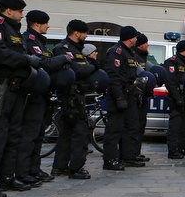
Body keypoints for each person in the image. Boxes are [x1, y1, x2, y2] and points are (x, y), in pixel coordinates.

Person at [0, 0, 44, 197]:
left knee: (12, 135)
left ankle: (6, 177)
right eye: (20, 11)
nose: (23, 15)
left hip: (14, 89)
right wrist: (25, 59)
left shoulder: (12, 30)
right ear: (9, 11)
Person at [18, 10, 70, 186]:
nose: (48, 25)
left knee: (39, 134)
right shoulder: (29, 41)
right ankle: (23, 171)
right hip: (31, 95)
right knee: (29, 135)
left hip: (43, 94)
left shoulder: (41, 42)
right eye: (46, 23)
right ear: (37, 24)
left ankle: (34, 169)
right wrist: (62, 59)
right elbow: (43, 63)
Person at [50, 19, 97, 179]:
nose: (86, 36)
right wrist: (93, 66)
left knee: (67, 133)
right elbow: (79, 70)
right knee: (80, 133)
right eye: (85, 33)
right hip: (71, 97)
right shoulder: (64, 48)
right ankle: (75, 167)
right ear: (77, 33)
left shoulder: (77, 49)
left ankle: (60, 167)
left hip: (77, 96)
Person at [101, 25, 140, 171]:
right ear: (130, 38)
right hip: (119, 94)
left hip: (129, 94)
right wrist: (118, 97)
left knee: (132, 126)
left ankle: (128, 157)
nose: (136, 39)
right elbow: (113, 77)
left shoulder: (129, 53)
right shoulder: (116, 52)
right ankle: (109, 159)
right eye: (135, 36)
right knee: (114, 129)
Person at [163, 40, 185, 159]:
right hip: (176, 98)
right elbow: (170, 82)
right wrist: (177, 98)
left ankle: (182, 147)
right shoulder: (172, 62)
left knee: (183, 125)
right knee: (175, 126)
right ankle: (172, 150)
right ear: (183, 50)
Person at [129, 33, 153, 164]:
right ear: (141, 44)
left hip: (143, 96)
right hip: (135, 96)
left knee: (140, 126)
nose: (148, 45)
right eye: (146, 43)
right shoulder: (134, 57)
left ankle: (136, 152)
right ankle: (132, 153)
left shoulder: (142, 57)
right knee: (134, 126)